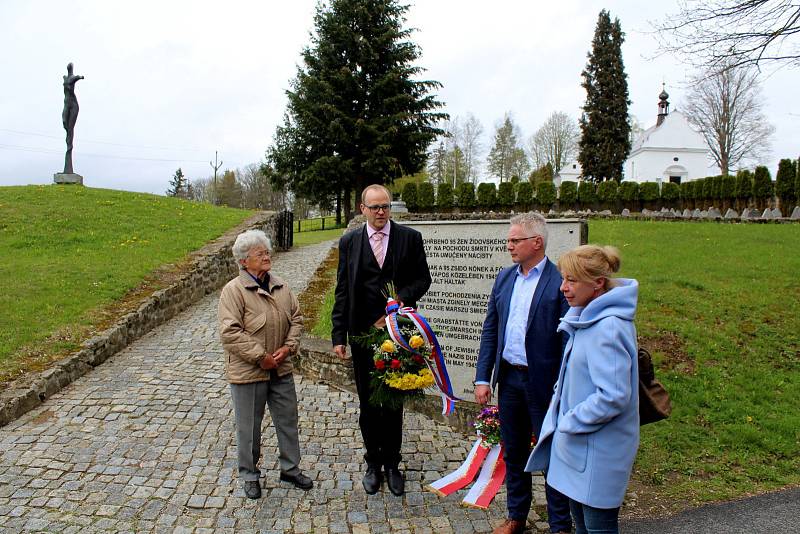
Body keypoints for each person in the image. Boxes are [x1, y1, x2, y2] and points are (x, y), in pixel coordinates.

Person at [525, 245, 639, 534]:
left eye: (571, 280)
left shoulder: (608, 327)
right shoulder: (586, 318)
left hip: (598, 451)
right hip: (579, 447)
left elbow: (613, 396)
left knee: (597, 528)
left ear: (597, 283)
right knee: (582, 527)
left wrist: (568, 422)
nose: (563, 288)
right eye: (563, 278)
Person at [474, 212, 572, 534]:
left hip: (544, 384)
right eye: (509, 239)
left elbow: (568, 340)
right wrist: (482, 377)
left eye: (515, 240)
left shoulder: (559, 283)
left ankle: (560, 525)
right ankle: (517, 516)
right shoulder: (505, 278)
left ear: (537, 242)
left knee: (552, 456)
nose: (509, 245)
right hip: (510, 379)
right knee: (514, 452)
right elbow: (491, 329)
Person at [332, 184, 431, 496]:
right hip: (362, 336)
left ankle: (392, 463)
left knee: (393, 402)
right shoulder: (349, 241)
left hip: (397, 333)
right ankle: (373, 462)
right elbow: (343, 289)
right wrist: (338, 335)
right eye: (374, 207)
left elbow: (422, 278)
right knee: (368, 402)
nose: (380, 212)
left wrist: (397, 301)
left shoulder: (409, 238)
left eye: (385, 206)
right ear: (362, 209)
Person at [218, 229, 312, 499]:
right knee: (249, 428)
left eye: (267, 251)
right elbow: (230, 333)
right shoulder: (233, 292)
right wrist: (262, 356)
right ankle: (250, 474)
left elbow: (296, 319)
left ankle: (290, 469)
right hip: (249, 372)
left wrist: (288, 348)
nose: (267, 256)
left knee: (288, 420)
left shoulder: (281, 286)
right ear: (243, 261)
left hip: (281, 368)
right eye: (260, 253)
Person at [61, 62, 84, 174]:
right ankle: (68, 142)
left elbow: (79, 77)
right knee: (64, 123)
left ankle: (69, 167)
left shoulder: (74, 77)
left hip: (74, 105)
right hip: (66, 104)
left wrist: (80, 77)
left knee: (70, 129)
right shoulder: (65, 77)